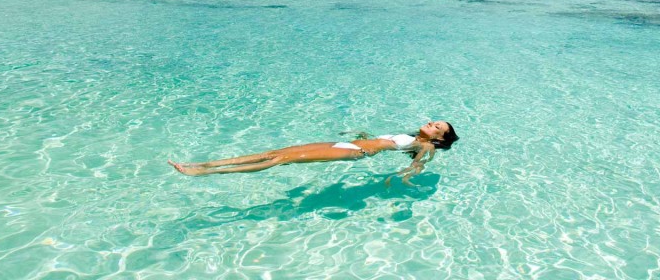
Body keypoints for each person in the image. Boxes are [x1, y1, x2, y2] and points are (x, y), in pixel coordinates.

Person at [169, 120, 458, 184]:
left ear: (440, 137)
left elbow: (419, 164)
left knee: (281, 160)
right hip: (350, 145)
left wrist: (402, 177)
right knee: (274, 151)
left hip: (355, 153)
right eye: (434, 122)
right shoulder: (408, 134)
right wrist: (363, 135)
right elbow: (383, 141)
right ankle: (203, 164)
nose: (431, 124)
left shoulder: (423, 144)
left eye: (437, 127)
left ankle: (203, 173)